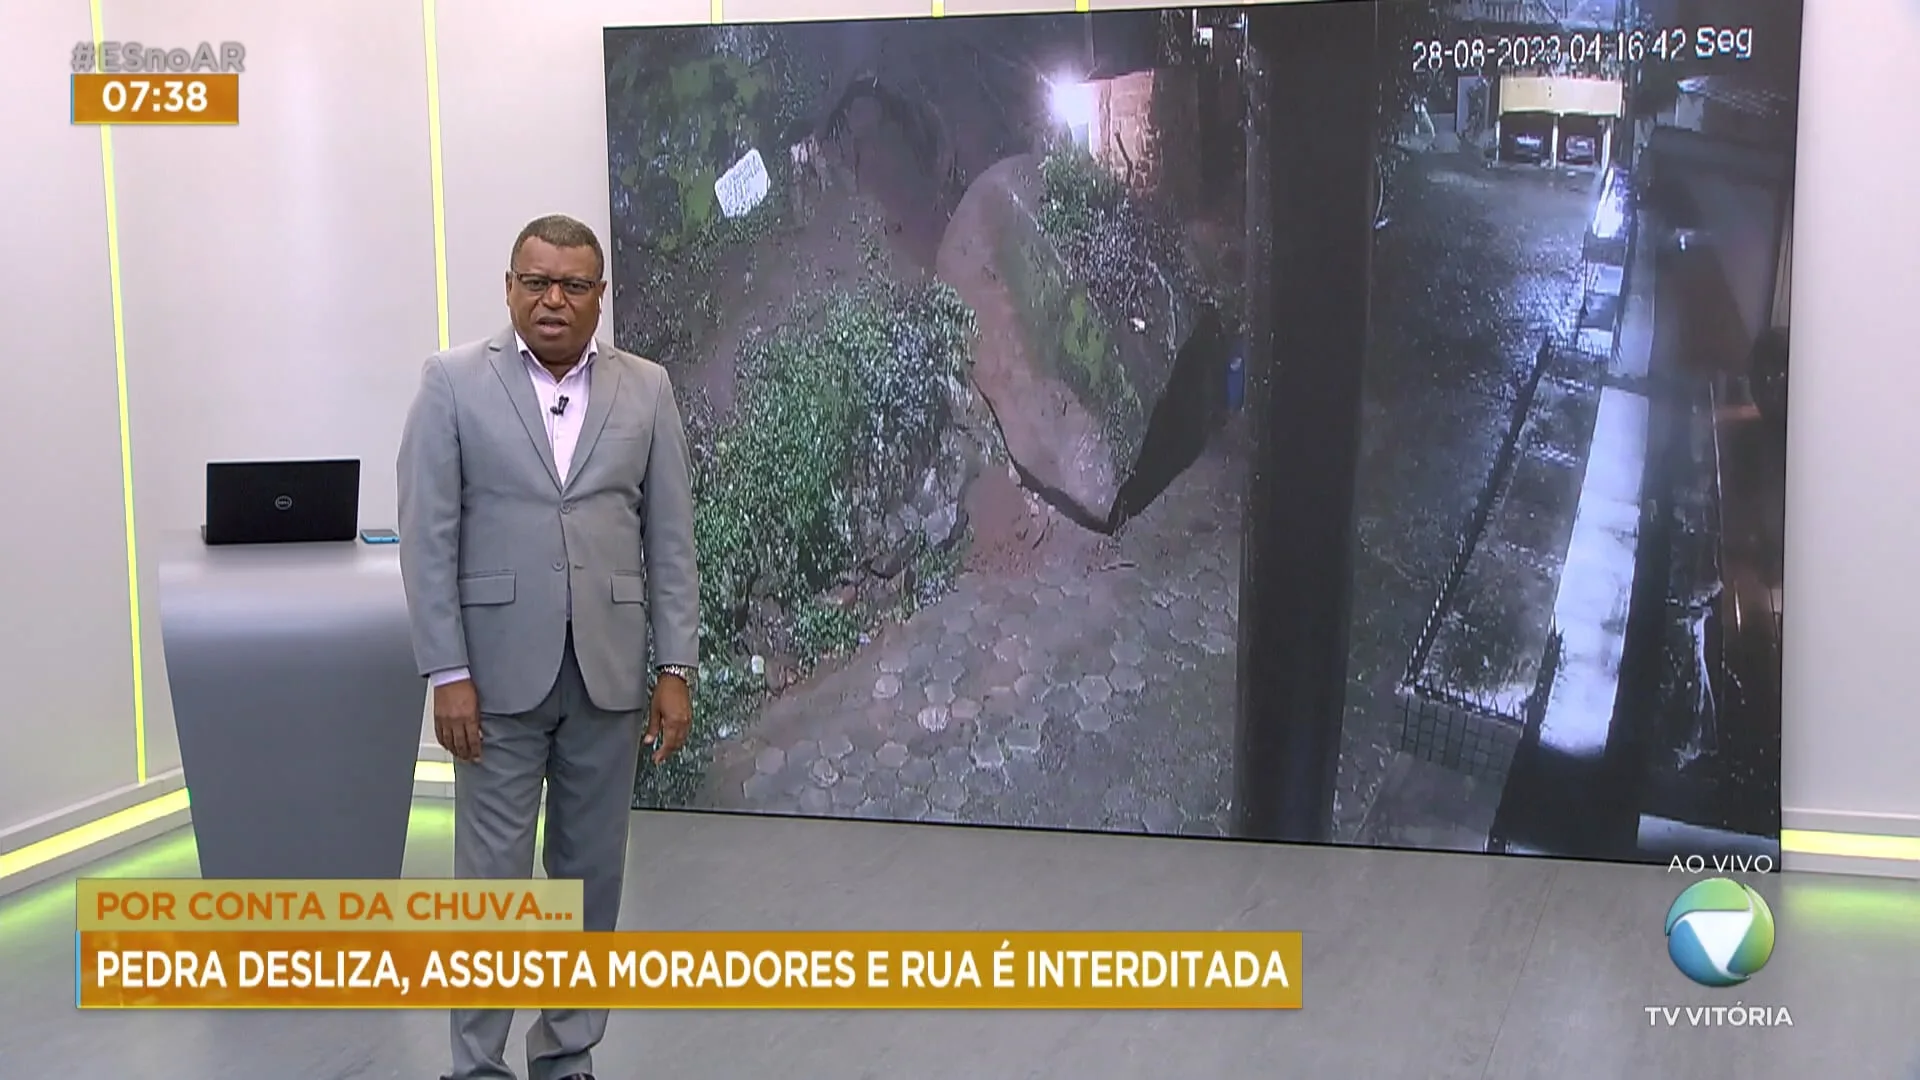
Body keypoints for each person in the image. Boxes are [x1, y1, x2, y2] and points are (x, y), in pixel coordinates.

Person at [396, 213, 700, 1080]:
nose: (553, 300)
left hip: (608, 675)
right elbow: (429, 534)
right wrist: (446, 670)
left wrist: (674, 667)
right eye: (536, 282)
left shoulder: (647, 388)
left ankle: (568, 1057)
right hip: (492, 679)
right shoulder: (453, 382)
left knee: (587, 882)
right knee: (490, 886)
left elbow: (670, 540)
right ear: (509, 288)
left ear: (599, 298)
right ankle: (476, 1065)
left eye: (573, 286)